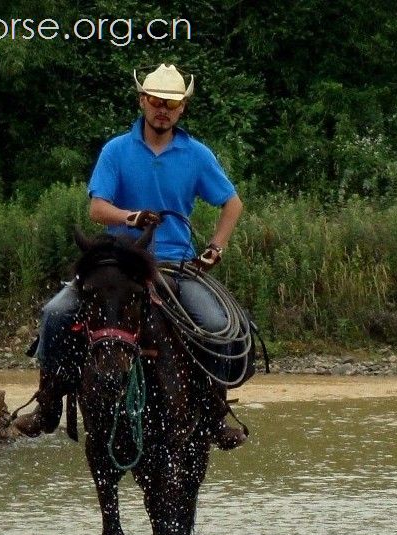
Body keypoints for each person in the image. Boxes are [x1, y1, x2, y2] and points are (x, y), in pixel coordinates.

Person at [14, 63, 247, 449]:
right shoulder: (116, 151)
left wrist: (216, 247)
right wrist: (131, 217)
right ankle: (48, 405)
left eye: (171, 103)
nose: (163, 110)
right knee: (55, 313)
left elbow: (232, 204)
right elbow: (97, 208)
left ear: (182, 108)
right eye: (156, 101)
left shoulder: (197, 154)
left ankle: (215, 416)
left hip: (176, 262)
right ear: (143, 101)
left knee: (215, 323)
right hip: (118, 263)